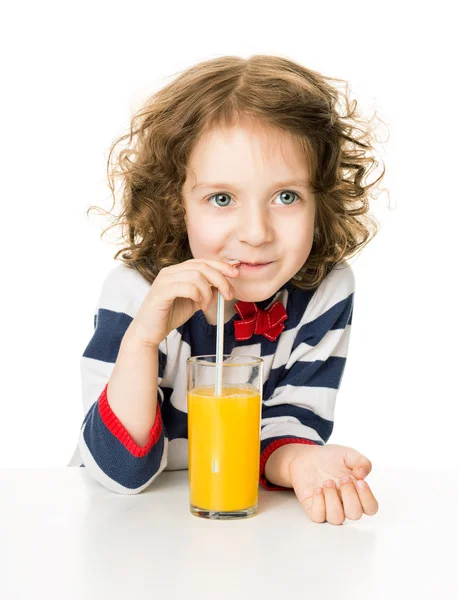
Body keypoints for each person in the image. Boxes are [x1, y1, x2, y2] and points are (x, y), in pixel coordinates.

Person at [68, 54, 385, 525]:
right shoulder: (136, 291)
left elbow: (285, 426)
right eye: (222, 199)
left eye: (286, 197)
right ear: (178, 204)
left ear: (322, 199)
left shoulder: (324, 290)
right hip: (123, 527)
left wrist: (302, 462)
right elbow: (120, 473)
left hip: (250, 524)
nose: (255, 232)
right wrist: (142, 340)